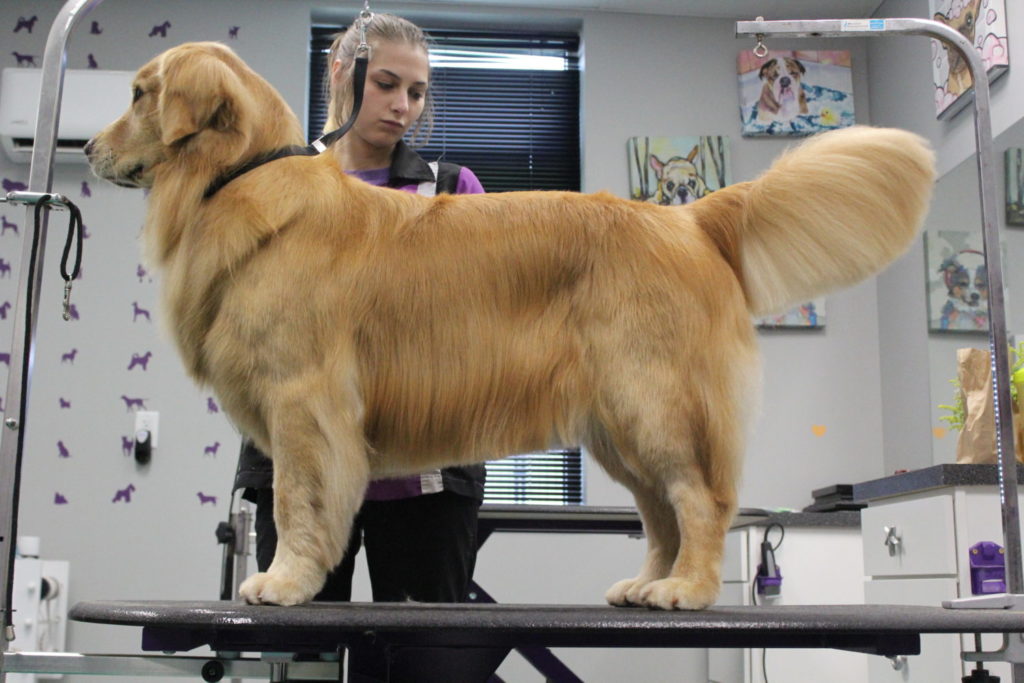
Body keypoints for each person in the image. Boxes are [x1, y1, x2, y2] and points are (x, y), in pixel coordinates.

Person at [233, 12, 496, 681]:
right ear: (342, 74)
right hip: (302, 471)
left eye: (417, 91)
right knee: (303, 668)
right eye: (386, 84)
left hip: (427, 485)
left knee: (423, 669)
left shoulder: (450, 189)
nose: (403, 106)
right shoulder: (277, 188)